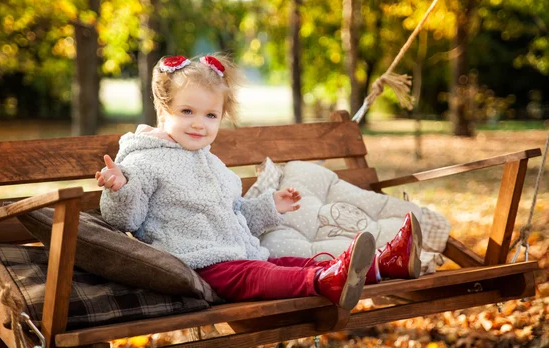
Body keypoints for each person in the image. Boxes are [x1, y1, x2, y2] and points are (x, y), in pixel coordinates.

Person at [96, 54, 420, 311]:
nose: (199, 124)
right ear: (164, 111)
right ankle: (325, 281)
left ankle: (384, 264)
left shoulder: (212, 164)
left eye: (210, 115)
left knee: (288, 263)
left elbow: (237, 216)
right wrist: (119, 188)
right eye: (187, 111)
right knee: (260, 274)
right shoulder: (143, 160)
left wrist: (268, 206)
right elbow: (126, 219)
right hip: (197, 264)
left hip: (239, 254)